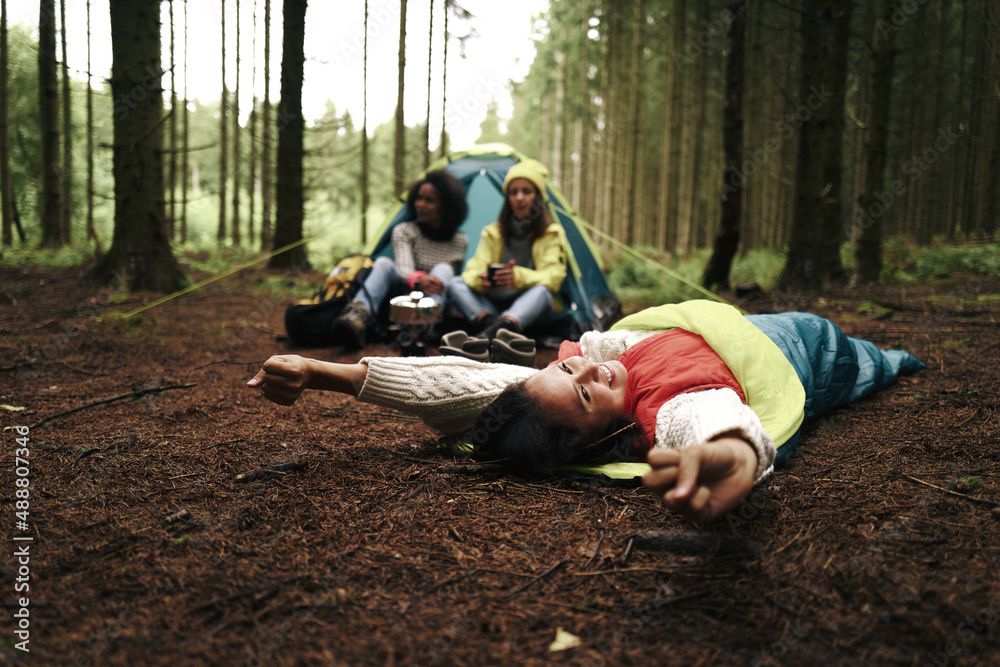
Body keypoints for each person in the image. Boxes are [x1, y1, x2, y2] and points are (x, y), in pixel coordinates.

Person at [247, 300, 923, 524]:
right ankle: (900, 359)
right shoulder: (665, 405)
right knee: (872, 364)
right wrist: (733, 456)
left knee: (863, 349)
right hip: (809, 352)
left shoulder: (572, 367)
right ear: (615, 430)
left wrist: (322, 372)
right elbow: (708, 420)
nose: (589, 369)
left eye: (567, 368)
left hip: (749, 326)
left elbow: (453, 380)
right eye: (587, 392)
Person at [331, 169, 469, 349]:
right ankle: (356, 317)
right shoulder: (405, 230)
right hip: (400, 300)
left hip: (436, 305)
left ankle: (421, 327)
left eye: (429, 201)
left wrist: (430, 282)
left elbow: (452, 282)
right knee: (383, 263)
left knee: (443, 269)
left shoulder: (460, 241)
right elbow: (404, 268)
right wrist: (419, 280)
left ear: (446, 206)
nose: (421, 204)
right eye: (419, 198)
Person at [447, 159, 568, 340]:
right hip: (495, 307)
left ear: (538, 196)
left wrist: (517, 277)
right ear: (508, 198)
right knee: (456, 283)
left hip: (530, 309)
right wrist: (483, 281)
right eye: (513, 192)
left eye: (526, 191)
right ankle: (494, 327)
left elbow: (554, 278)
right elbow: (471, 273)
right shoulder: (492, 233)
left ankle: (495, 330)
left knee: (542, 291)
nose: (519, 198)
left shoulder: (551, 233)